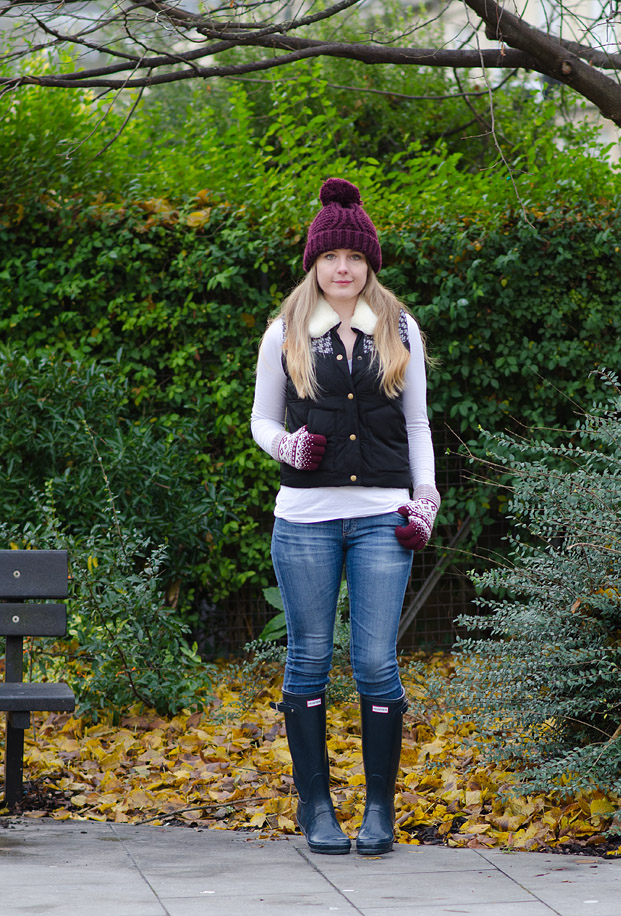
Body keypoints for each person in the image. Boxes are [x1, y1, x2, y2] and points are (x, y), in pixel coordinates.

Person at [250, 177, 440, 856]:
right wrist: (287, 446)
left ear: (369, 265)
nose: (343, 269)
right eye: (332, 258)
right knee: (307, 660)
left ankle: (380, 812)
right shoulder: (286, 330)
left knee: (374, 663)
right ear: (315, 262)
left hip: (381, 518)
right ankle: (317, 810)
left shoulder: (401, 327)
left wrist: (426, 499)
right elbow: (261, 420)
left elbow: (416, 422)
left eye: (354, 259)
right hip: (304, 517)